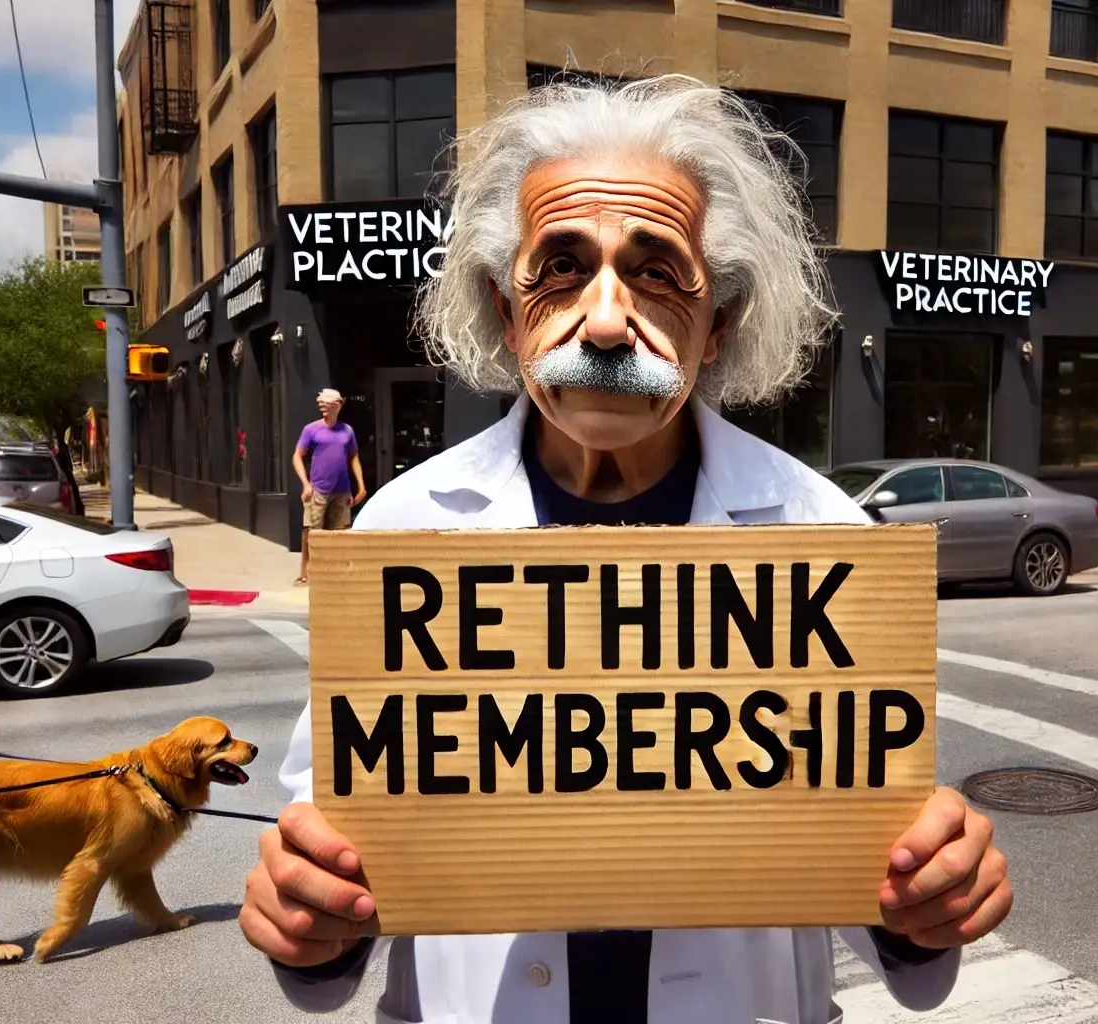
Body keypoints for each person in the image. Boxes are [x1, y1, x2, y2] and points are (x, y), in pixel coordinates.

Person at [240, 75, 1012, 1023]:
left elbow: (880, 901)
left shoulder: (826, 537)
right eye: (561, 267)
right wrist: (307, 919)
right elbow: (336, 863)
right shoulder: (405, 531)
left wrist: (927, 900)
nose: (605, 322)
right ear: (506, 305)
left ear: (717, 322)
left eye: (654, 271)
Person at [291, 388, 367, 585]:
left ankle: (337, 571)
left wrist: (361, 486)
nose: (324, 409)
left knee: (340, 532)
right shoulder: (311, 430)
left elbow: (354, 457)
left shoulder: (347, 431)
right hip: (318, 489)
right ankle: (305, 572)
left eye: (328, 406)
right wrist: (306, 485)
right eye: (322, 406)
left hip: (342, 490)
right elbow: (297, 456)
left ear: (338, 405)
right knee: (311, 531)